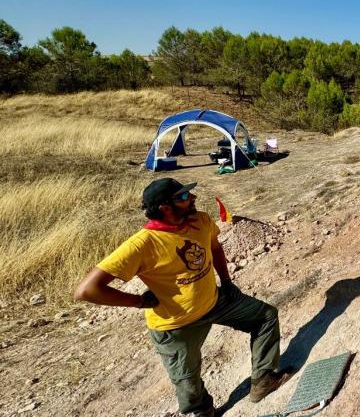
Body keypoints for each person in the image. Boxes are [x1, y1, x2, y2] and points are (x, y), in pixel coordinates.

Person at [74, 178, 289, 417]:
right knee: (188, 381)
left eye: (189, 194)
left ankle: (264, 381)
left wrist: (227, 282)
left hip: (215, 301)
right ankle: (201, 411)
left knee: (265, 317)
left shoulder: (201, 220)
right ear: (165, 208)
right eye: (184, 197)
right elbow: (87, 290)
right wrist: (139, 302)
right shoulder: (142, 245)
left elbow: (215, 248)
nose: (193, 198)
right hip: (175, 324)